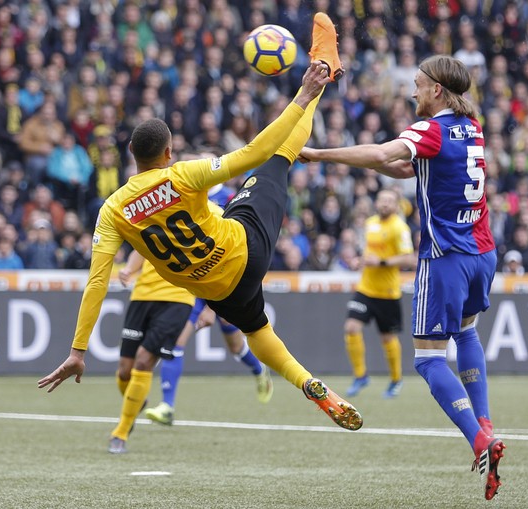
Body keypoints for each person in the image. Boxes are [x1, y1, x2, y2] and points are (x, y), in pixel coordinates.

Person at [39, 14, 363, 455]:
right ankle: (323, 72)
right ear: (168, 152)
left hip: (216, 289)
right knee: (278, 158)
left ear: (130, 154)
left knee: (256, 329)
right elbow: (254, 151)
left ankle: (305, 381)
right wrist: (305, 94)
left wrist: (78, 350)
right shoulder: (183, 175)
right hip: (245, 249)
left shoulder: (111, 211)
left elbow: (96, 282)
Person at [299, 54, 505, 500]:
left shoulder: (430, 129)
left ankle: (477, 436)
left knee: (429, 360)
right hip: (483, 252)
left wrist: (316, 154)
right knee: (467, 334)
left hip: (446, 257)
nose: (411, 92)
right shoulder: (470, 127)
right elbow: (400, 167)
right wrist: (367, 164)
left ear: (435, 90)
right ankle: (485, 421)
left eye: (416, 84)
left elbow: (382, 153)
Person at [145, 176, 273, 427]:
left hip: (222, 277)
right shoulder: (183, 195)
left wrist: (213, 306)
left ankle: (259, 370)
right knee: (175, 341)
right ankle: (167, 406)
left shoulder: (228, 197)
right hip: (194, 280)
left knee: (235, 346)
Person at [110, 250, 195, 453]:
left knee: (143, 361)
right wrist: (130, 269)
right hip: (141, 296)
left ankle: (121, 433)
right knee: (124, 371)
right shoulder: (152, 217)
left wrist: (210, 308)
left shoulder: (211, 217)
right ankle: (138, 400)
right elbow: (142, 247)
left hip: (178, 298)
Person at [342, 189, 416, 399]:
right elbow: (370, 252)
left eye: (389, 201)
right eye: (382, 200)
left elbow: (409, 258)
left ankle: (396, 379)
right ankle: (360, 375)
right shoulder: (370, 223)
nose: (384, 204)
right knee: (351, 327)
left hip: (388, 293)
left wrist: (382, 262)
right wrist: (361, 260)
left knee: (387, 338)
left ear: (396, 205)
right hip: (366, 288)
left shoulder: (399, 228)